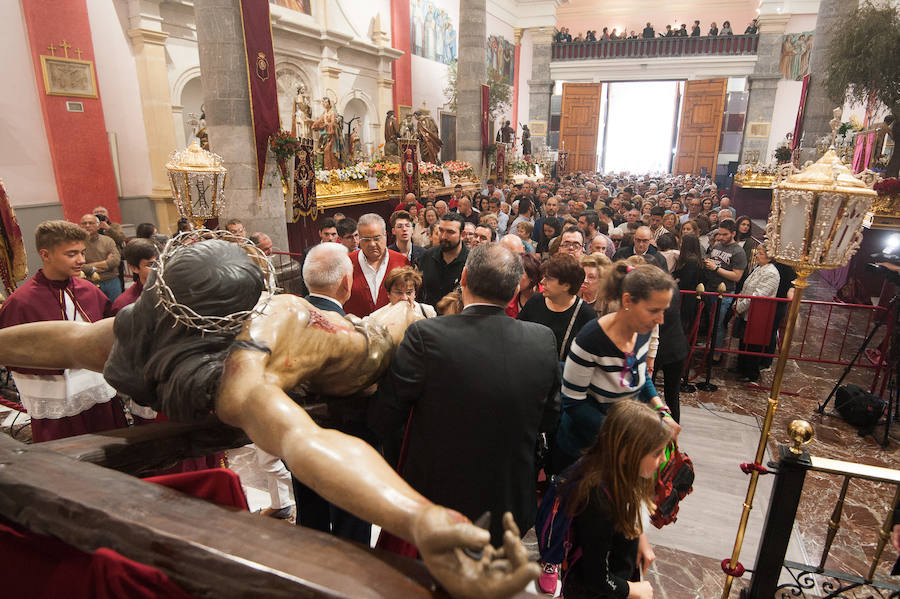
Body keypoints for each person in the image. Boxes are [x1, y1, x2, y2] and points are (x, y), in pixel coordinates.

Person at [0, 233, 544, 598]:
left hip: (373, 348)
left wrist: (420, 517)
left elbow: (308, 443)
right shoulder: (150, 321)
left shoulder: (243, 372)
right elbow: (67, 341)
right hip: (324, 337)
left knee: (402, 318)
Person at [370, 243, 560, 547]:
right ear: (514, 291)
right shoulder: (542, 340)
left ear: (464, 277)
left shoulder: (426, 335)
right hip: (507, 500)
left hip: (438, 498)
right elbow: (549, 417)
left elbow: (387, 413)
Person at [0, 220, 126, 442]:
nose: (82, 260)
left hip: (98, 389)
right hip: (55, 397)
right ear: (45, 255)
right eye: (72, 254)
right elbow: (10, 352)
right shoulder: (21, 303)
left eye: (82, 252)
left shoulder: (90, 291)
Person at [555, 262, 681, 474]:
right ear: (627, 301)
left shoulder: (642, 329)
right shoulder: (590, 339)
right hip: (586, 448)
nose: (660, 319)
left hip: (623, 443)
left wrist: (661, 409)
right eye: (654, 310)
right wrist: (626, 432)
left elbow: (639, 376)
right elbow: (573, 403)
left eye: (663, 311)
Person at [556, 400, 671, 599]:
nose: (663, 460)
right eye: (657, 453)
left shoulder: (624, 472)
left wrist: (639, 537)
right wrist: (633, 590)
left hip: (619, 576)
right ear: (629, 454)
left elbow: (631, 508)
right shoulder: (598, 503)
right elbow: (594, 577)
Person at [518, 254, 596, 361]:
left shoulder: (585, 314)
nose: (542, 282)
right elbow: (518, 335)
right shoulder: (535, 301)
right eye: (544, 277)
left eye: (548, 279)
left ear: (566, 285)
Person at [344, 214, 409, 318]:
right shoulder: (346, 263)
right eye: (366, 239)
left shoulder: (401, 262)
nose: (372, 244)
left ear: (385, 235)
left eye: (376, 238)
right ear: (359, 239)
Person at [734, 245, 780, 383]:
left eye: (760, 253)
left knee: (753, 343)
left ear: (769, 256)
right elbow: (746, 287)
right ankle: (741, 367)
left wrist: (740, 306)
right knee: (744, 340)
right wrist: (738, 302)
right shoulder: (759, 268)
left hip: (758, 313)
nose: (757, 255)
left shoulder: (771, 273)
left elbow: (758, 294)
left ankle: (751, 372)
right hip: (746, 310)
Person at [703, 220, 747, 361]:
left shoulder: (738, 252)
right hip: (711, 288)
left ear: (733, 233)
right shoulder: (716, 245)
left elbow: (736, 276)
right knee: (711, 320)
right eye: (719, 234)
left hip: (725, 292)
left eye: (724, 234)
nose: (720, 237)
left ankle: (717, 352)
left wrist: (716, 269)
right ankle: (711, 345)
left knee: (719, 323)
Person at [418, 213, 468, 306]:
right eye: (441, 230)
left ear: (462, 235)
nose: (444, 236)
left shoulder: (471, 262)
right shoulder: (428, 255)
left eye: (450, 232)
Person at [79, 213, 122, 302]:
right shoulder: (77, 244)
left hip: (112, 281)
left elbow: (115, 261)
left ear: (98, 226)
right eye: (84, 223)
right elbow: (80, 266)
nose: (87, 226)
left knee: (116, 310)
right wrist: (104, 263)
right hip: (90, 283)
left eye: (91, 223)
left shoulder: (108, 240)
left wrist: (90, 267)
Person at [111, 239, 158, 315]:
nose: (158, 268)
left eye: (160, 261)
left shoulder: (174, 290)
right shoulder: (124, 304)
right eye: (150, 265)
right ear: (134, 268)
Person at [673, 233, 704, 335]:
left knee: (683, 323)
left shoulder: (691, 261)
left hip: (687, 297)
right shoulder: (692, 259)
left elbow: (686, 281)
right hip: (688, 296)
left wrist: (676, 281)